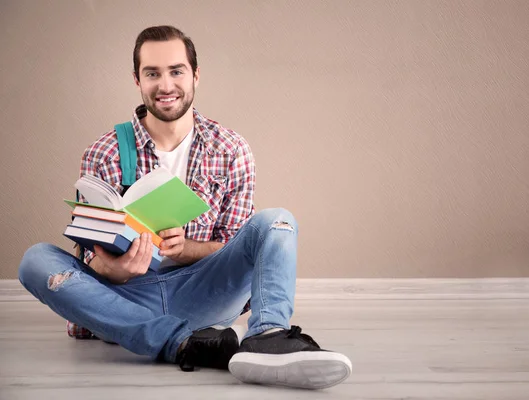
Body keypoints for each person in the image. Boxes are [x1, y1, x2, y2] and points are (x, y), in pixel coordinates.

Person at [18, 25, 352, 390]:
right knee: (36, 260)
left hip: (204, 292)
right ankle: (185, 344)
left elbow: (237, 247)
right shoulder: (104, 152)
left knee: (278, 222)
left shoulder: (230, 149)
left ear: (195, 75)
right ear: (137, 80)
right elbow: (86, 262)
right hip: (128, 297)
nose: (165, 85)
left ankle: (268, 337)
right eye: (152, 73)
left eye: (176, 71)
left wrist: (188, 248)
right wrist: (117, 269)